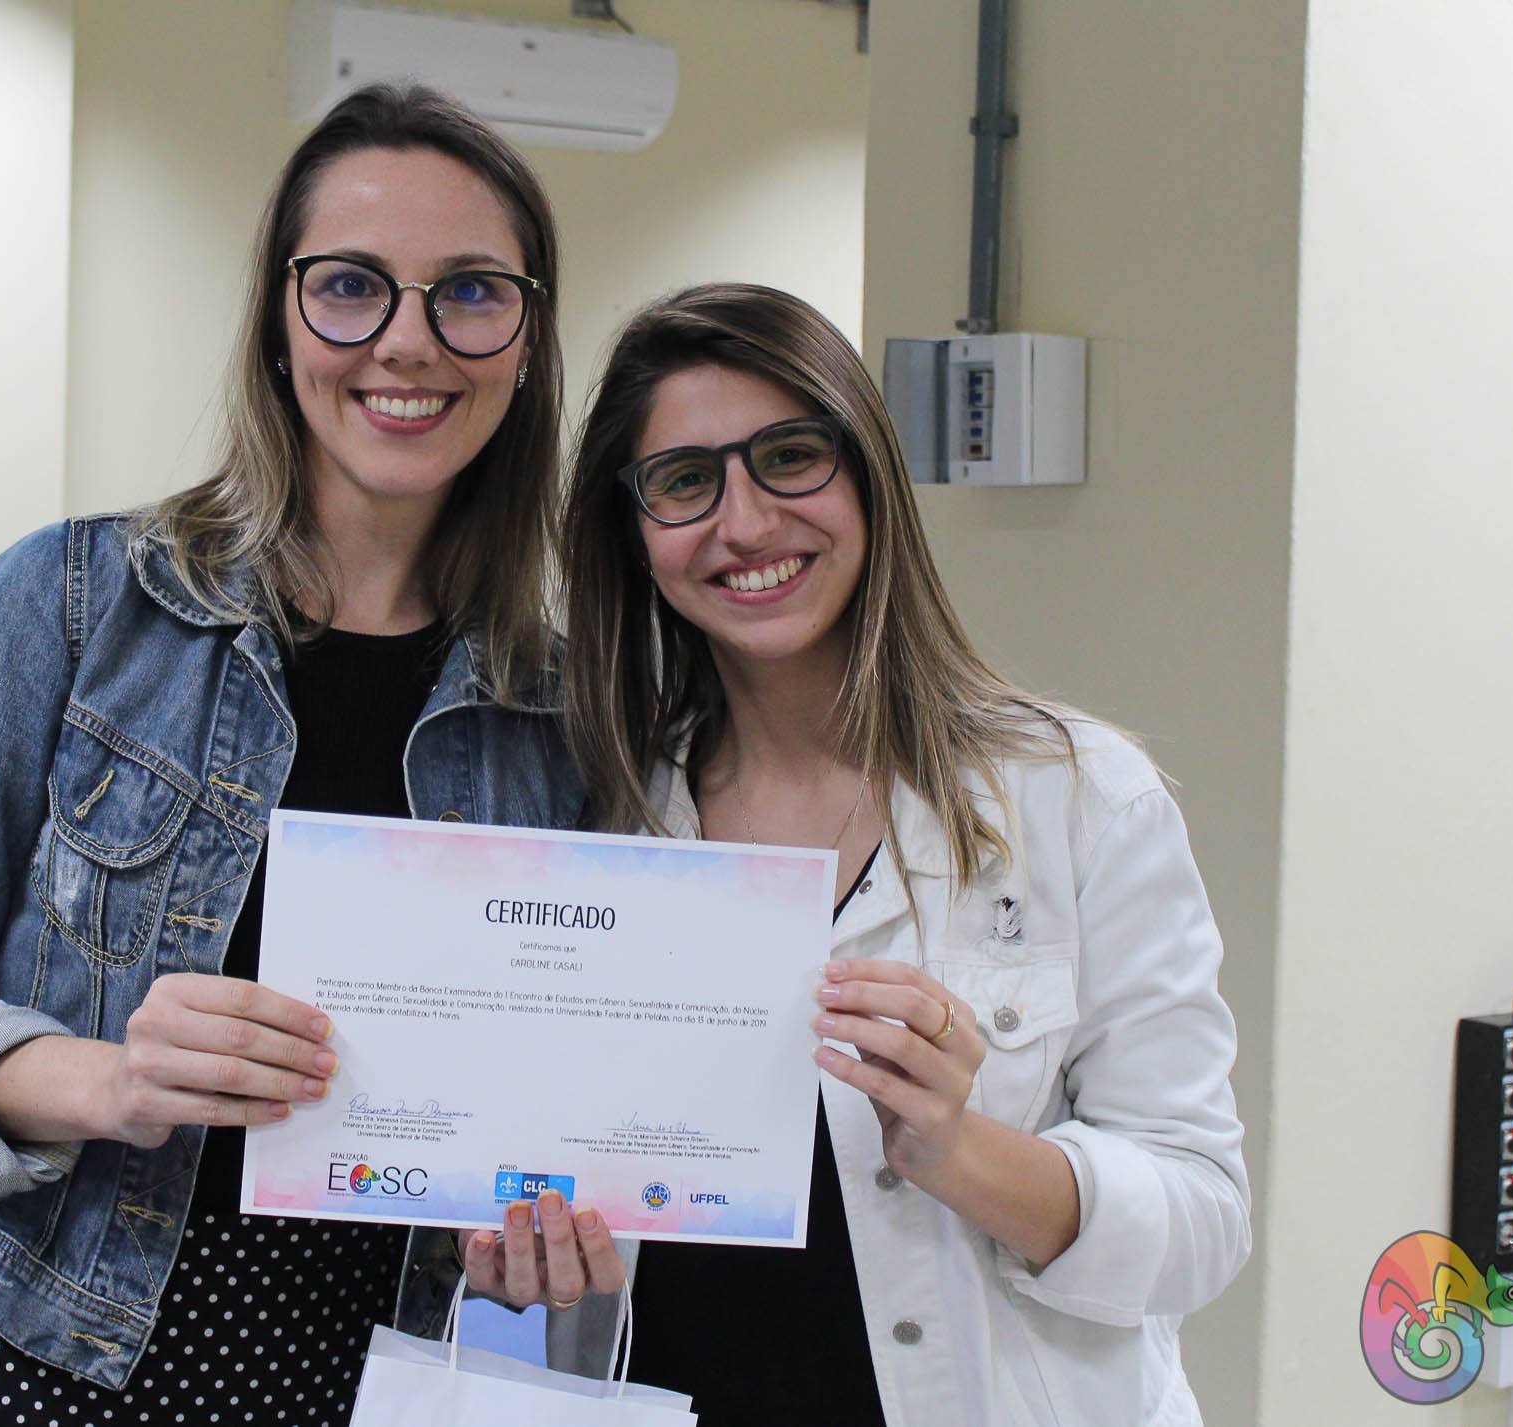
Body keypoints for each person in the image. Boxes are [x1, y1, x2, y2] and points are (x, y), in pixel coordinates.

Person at [0, 84, 596, 1424]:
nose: (407, 340)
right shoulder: (74, 599)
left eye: (470, 292)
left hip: (335, 1373)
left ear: (526, 339)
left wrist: (531, 1220)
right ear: (277, 323)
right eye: (349, 285)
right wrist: (107, 1078)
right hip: (17, 1352)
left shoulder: (559, 709)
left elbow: (533, 1099)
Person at [525, 284, 1251, 1425]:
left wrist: (959, 1149)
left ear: (867, 476)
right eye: (683, 480)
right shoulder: (595, 824)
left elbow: (1203, 1219)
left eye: (790, 456)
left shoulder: (1074, 798)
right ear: (633, 531)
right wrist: (523, 1261)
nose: (745, 523)